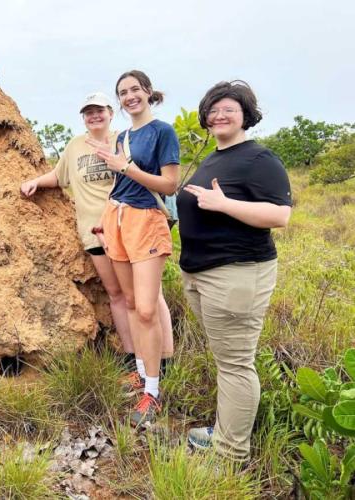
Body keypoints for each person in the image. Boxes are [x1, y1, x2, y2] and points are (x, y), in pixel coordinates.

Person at [20, 92, 173, 380]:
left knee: (148, 297)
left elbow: (145, 179)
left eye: (99, 110)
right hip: (92, 231)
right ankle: (134, 358)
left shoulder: (123, 140)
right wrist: (35, 183)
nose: (94, 116)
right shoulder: (75, 146)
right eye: (88, 112)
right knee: (117, 295)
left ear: (110, 112)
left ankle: (163, 358)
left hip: (126, 226)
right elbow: (59, 176)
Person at [177, 81, 292, 462]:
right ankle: (226, 431)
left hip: (237, 272)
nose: (220, 115)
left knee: (235, 364)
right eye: (213, 109)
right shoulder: (213, 157)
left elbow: (280, 215)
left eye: (229, 109)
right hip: (202, 272)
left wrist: (224, 204)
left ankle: (230, 453)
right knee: (226, 360)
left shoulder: (259, 159)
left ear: (246, 114)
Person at [86, 71, 180, 428]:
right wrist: (106, 221)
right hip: (118, 218)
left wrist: (126, 166)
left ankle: (153, 392)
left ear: (148, 92)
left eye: (135, 90)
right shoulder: (123, 135)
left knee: (145, 309)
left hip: (146, 221)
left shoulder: (162, 132)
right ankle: (142, 372)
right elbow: (119, 184)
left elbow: (169, 185)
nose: (129, 97)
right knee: (127, 302)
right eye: (123, 93)